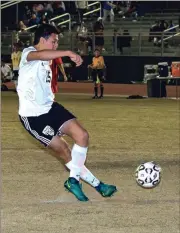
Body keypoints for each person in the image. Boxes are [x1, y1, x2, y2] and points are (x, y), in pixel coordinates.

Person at [17, 24, 117, 202]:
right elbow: (40, 55)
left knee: (83, 136)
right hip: (33, 117)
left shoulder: (47, 59)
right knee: (65, 151)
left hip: (51, 107)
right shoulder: (28, 53)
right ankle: (98, 185)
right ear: (43, 39)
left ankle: (73, 180)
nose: (56, 45)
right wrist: (68, 52)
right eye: (54, 42)